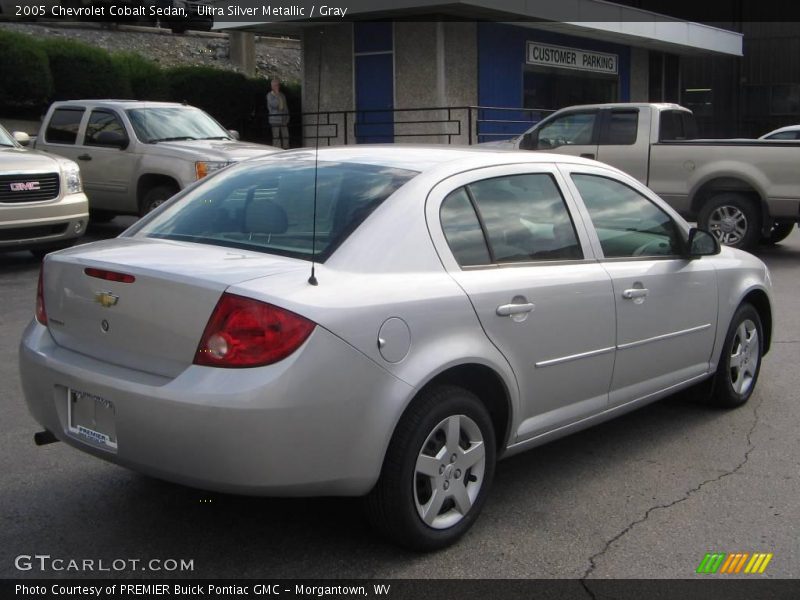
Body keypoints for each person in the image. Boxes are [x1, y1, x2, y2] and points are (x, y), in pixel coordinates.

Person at [266, 78, 290, 149]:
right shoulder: (269, 95)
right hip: (275, 119)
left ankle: (286, 148)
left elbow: (285, 107)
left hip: (283, 118)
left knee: (286, 135)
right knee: (276, 136)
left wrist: (287, 117)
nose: (277, 87)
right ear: (272, 86)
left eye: (278, 85)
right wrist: (276, 95)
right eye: (275, 85)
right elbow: (274, 105)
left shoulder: (282, 95)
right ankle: (277, 149)